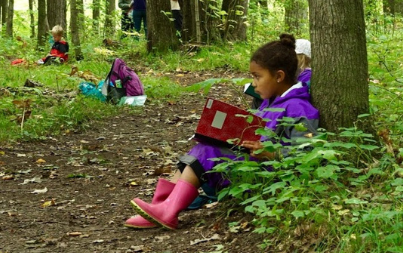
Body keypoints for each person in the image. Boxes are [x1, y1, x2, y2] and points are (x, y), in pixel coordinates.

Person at [125, 34, 319, 230]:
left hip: (268, 176)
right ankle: (161, 206)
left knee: (207, 152)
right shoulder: (271, 102)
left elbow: (306, 154)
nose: (253, 83)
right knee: (204, 146)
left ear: (279, 76)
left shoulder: (299, 108)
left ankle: (169, 210)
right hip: (254, 166)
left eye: (257, 77)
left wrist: (272, 153)